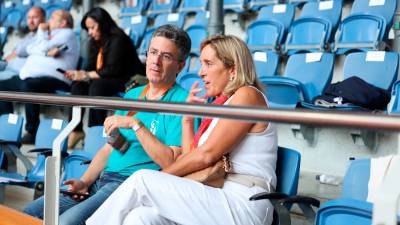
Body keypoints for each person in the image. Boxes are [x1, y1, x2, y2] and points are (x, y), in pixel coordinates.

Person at [86, 35, 278, 225]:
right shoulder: (222, 105)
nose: (201, 72)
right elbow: (191, 156)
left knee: (142, 179)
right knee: (141, 217)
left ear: (233, 70)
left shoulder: (248, 94)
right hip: (217, 196)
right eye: (201, 64)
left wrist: (160, 177)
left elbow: (206, 155)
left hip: (245, 203)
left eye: (208, 64)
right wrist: (187, 119)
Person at [24, 24, 192, 225]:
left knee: (65, 222)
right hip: (102, 181)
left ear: (180, 66)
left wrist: (136, 125)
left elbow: (171, 163)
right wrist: (85, 181)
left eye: (166, 56)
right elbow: (110, 147)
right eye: (153, 52)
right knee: (28, 213)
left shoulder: (181, 103)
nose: (155, 61)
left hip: (129, 186)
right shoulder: (133, 95)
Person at [64, 7, 146, 149]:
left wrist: (86, 75)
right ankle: (76, 130)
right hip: (107, 78)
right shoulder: (95, 41)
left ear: (103, 23)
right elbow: (90, 68)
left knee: (97, 87)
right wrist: (79, 75)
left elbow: (112, 69)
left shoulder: (118, 38)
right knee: (78, 85)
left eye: (93, 27)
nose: (90, 32)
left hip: (127, 78)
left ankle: (96, 131)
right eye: (88, 29)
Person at [0, 9, 79, 143]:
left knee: (29, 85)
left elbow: (40, 47)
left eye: (53, 18)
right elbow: (29, 49)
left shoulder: (68, 33)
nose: (48, 21)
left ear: (63, 22)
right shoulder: (50, 34)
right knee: (2, 86)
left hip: (57, 79)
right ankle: (7, 128)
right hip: (31, 77)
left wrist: (41, 40)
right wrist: (44, 50)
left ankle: (32, 131)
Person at [0, 6, 46, 80]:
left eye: (35, 17)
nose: (31, 21)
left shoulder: (44, 37)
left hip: (16, 73)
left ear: (43, 19)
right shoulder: (29, 35)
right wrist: (4, 61)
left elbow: (19, 52)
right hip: (7, 66)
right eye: (29, 18)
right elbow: (15, 53)